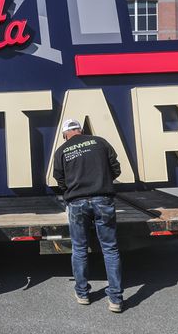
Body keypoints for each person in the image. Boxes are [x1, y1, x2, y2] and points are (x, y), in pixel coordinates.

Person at [53, 119, 123, 313]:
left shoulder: (61, 151)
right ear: (81, 131)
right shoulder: (100, 142)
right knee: (110, 249)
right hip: (103, 199)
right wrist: (101, 181)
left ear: (66, 134)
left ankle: (82, 294)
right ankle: (116, 299)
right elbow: (116, 169)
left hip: (76, 203)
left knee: (79, 248)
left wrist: (73, 190)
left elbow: (59, 180)